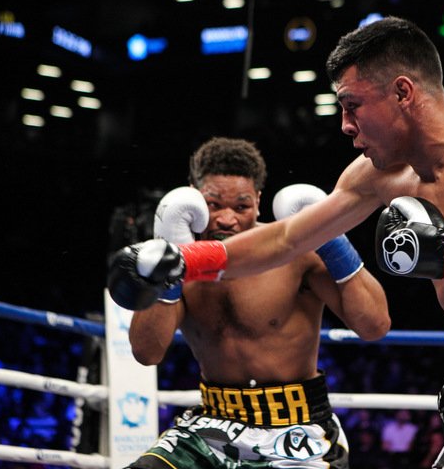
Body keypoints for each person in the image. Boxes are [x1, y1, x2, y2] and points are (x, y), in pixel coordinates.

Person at [108, 17, 444, 468]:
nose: (345, 125)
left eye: (353, 106)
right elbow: (284, 238)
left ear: (403, 93)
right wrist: (181, 259)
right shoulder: (379, 175)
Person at [122, 137, 390, 468]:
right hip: (212, 428)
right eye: (214, 205)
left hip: (298, 426)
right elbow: (146, 352)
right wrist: (166, 263)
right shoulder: (180, 263)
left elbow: (375, 325)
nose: (226, 219)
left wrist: (329, 237)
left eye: (241, 206)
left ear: (259, 202)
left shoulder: (296, 254)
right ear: (191, 199)